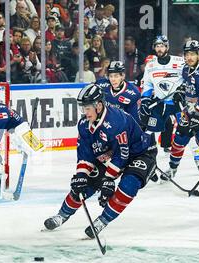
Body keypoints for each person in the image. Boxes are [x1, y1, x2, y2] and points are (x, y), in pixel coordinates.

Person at [43, 84, 157, 238]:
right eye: (82, 108)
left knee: (129, 185)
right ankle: (62, 215)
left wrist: (108, 180)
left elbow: (122, 155)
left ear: (99, 105)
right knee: (83, 185)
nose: (84, 112)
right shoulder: (84, 125)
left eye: (87, 107)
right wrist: (81, 174)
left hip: (141, 154)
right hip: (111, 155)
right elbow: (85, 152)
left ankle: (103, 220)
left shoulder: (116, 122)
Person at [161, 40, 199, 186]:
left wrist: (192, 113)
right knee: (180, 138)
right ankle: (172, 168)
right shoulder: (186, 69)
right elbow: (188, 85)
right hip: (193, 109)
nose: (189, 57)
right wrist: (181, 92)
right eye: (187, 54)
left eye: (192, 54)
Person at [140, 35, 199, 172]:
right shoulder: (151, 65)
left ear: (167, 47)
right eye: (157, 46)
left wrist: (183, 92)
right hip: (159, 104)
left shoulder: (180, 61)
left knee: (188, 129)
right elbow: (148, 84)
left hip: (178, 105)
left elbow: (190, 78)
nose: (159, 48)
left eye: (162, 45)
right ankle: (145, 160)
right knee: (150, 131)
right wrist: (145, 100)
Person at [95, 61, 141, 125]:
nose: (113, 79)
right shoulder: (101, 85)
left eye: (116, 76)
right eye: (111, 76)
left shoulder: (133, 93)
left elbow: (134, 120)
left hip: (122, 127)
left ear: (123, 76)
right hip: (104, 125)